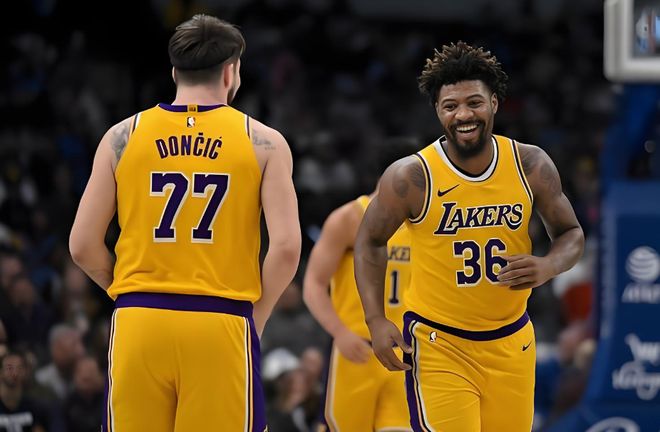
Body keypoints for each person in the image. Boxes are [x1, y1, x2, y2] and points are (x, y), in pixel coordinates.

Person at [69, 14, 301, 431]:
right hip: (220, 319)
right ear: (231, 72)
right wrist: (257, 316)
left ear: (175, 72)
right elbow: (285, 248)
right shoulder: (264, 141)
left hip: (139, 320)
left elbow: (82, 245)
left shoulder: (122, 135)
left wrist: (129, 293)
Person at [354, 42, 585, 432]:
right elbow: (370, 241)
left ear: (494, 103)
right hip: (440, 343)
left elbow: (571, 233)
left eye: (474, 102)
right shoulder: (412, 176)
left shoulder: (530, 164)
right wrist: (375, 319)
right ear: (437, 111)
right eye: (450, 106)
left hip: (512, 340)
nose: (463, 114)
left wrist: (548, 265)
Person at [304, 138, 419, 431]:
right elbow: (313, 285)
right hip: (357, 349)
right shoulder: (349, 217)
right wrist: (340, 333)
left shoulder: (423, 225)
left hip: (406, 353)